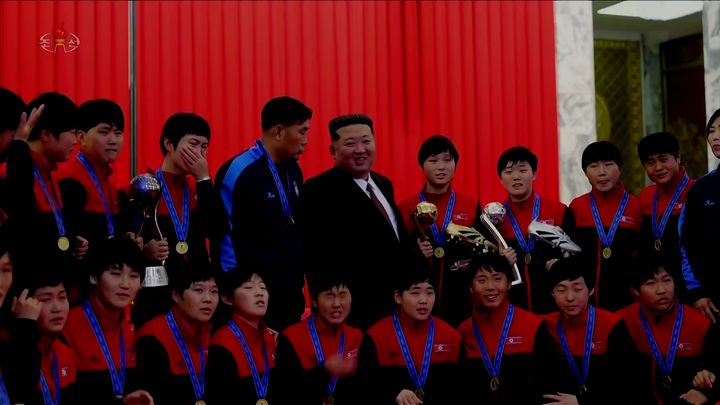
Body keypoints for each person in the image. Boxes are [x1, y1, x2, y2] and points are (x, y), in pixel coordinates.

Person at [300, 114, 411, 329]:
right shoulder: (319, 190)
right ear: (333, 150)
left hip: (396, 305)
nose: (360, 150)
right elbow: (314, 255)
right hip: (354, 312)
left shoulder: (383, 183)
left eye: (366, 141)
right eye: (350, 144)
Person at [214, 96, 312, 332]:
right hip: (253, 294)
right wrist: (233, 284)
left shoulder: (294, 170)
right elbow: (222, 231)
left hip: (290, 290)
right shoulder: (238, 170)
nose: (306, 140)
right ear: (279, 131)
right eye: (302, 131)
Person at [398, 135, 516, 326]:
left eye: (447, 160)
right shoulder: (406, 208)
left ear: (455, 165)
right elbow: (397, 253)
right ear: (422, 166)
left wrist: (500, 258)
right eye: (433, 161)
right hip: (420, 297)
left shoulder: (469, 205)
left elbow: (482, 253)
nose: (441, 167)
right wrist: (415, 251)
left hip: (461, 298)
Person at [128, 112, 217, 326]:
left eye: (204, 147)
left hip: (195, 293)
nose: (199, 153)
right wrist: (144, 251)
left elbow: (216, 230)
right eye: (193, 144)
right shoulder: (145, 187)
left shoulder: (199, 188)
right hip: (157, 294)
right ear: (169, 143)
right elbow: (128, 242)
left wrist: (204, 179)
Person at [57, 99, 139, 303]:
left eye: (118, 133)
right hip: (78, 291)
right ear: (81, 137)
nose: (113, 140)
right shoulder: (69, 180)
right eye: (104, 132)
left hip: (106, 289)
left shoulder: (110, 183)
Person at [4, 92, 87, 288]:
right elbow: (22, 233)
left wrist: (70, 243)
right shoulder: (16, 173)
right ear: (46, 135)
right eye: (71, 132)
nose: (75, 141)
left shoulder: (51, 174)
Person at [617, 255, 720, 404]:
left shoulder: (701, 323)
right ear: (635, 291)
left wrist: (705, 390)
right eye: (650, 283)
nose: (661, 290)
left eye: (667, 280)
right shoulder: (621, 322)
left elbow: (715, 371)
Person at [457, 253, 554, 404]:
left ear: (509, 283)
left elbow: (547, 386)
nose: (490, 287)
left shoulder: (534, 326)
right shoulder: (463, 331)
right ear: (471, 287)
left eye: (497, 279)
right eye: (482, 280)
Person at [542, 254, 640, 404]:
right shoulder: (546, 326)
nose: (570, 297)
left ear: (591, 290)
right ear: (552, 293)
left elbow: (627, 383)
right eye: (561, 290)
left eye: (577, 289)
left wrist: (582, 401)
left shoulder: (612, 324)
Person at [359, 265, 461, 404]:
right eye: (415, 293)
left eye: (429, 293)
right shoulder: (376, 337)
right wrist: (392, 392)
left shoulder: (452, 337)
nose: (423, 300)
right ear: (398, 297)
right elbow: (364, 388)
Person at [62, 238, 147, 402]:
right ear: (94, 276)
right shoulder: (65, 325)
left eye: (134, 276)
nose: (125, 284)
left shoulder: (140, 327)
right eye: (115, 274)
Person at [493, 146, 573, 314]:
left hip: (554, 307)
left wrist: (561, 263)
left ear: (534, 174)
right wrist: (499, 261)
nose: (516, 177)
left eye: (523, 170)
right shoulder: (494, 220)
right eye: (509, 172)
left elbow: (575, 258)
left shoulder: (558, 212)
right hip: (512, 310)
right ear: (500, 178)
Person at [569, 141, 643, 311]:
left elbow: (642, 253)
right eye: (593, 166)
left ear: (620, 168)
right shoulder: (577, 207)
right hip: (586, 303)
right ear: (585, 172)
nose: (602, 172)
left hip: (629, 302)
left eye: (608, 165)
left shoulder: (636, 206)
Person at [135, 260, 219, 405]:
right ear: (176, 295)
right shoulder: (152, 338)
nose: (208, 299)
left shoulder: (214, 332)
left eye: (214, 292)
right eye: (199, 290)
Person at [274, 270, 363, 405]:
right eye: (329, 296)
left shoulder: (357, 336)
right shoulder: (290, 337)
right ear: (314, 301)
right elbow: (286, 391)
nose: (337, 304)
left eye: (343, 295)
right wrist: (325, 370)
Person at [637, 132, 695, 302]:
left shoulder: (697, 191)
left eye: (663, 159)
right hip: (658, 290)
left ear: (678, 158)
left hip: (693, 288)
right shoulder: (646, 196)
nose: (658, 167)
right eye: (650, 163)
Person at [206, 268, 278, 404]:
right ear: (227, 299)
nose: (259, 293)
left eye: (263, 287)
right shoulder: (222, 342)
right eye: (249, 287)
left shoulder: (275, 339)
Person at [680, 108, 720, 323]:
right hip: (713, 303)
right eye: (711, 130)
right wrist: (697, 292)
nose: (715, 136)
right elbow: (686, 242)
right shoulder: (701, 189)